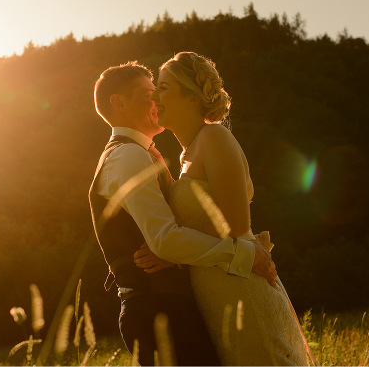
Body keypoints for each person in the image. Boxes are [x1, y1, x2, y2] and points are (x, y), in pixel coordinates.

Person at [88, 61, 277, 366]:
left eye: (161, 90)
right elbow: (165, 240)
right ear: (118, 102)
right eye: (149, 92)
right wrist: (243, 255)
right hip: (157, 309)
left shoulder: (153, 153)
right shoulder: (127, 156)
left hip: (179, 305)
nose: (157, 100)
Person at [133, 51, 309, 365]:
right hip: (214, 294)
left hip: (242, 287)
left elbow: (236, 225)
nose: (154, 97)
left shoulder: (214, 137)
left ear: (191, 97)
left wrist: (170, 249)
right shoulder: (187, 155)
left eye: (163, 87)